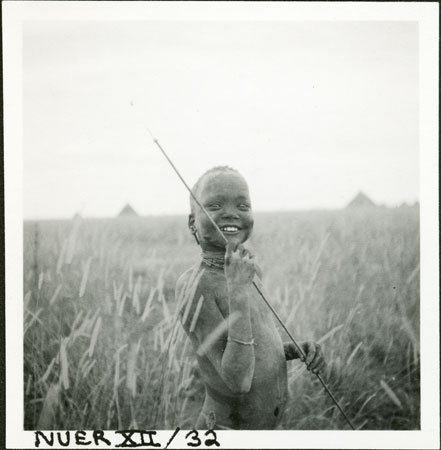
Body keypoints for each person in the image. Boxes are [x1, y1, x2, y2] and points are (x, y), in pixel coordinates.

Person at [175, 166, 325, 430]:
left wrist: (293, 349)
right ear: (192, 222)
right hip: (226, 431)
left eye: (243, 205)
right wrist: (238, 291)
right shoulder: (198, 288)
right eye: (215, 204)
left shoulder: (245, 269)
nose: (232, 213)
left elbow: (254, 341)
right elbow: (239, 380)